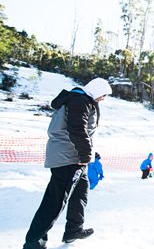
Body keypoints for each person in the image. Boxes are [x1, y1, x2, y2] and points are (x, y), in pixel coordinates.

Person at [23, 77, 112, 249]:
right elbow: (77, 129)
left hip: (75, 156)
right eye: (103, 95)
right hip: (69, 158)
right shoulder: (80, 100)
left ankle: (74, 229)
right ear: (96, 90)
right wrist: (85, 154)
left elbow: (84, 130)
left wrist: (90, 152)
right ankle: (35, 240)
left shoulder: (81, 99)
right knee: (55, 200)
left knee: (81, 191)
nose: (103, 99)